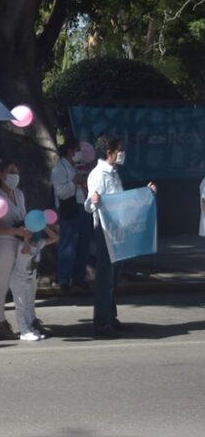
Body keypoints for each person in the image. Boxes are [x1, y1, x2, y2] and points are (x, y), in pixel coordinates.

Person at [85, 135, 157, 337]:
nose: (121, 153)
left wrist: (146, 193)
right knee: (105, 278)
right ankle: (101, 323)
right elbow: (90, 205)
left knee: (113, 278)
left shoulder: (114, 173)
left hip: (118, 232)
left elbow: (123, 201)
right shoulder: (99, 174)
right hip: (105, 232)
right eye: (119, 149)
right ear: (109, 153)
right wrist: (94, 201)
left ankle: (110, 317)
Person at [0, 159, 36, 340]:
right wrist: (14, 230)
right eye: (10, 171)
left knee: (23, 282)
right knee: (3, 284)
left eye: (16, 171)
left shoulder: (19, 194)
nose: (14, 175)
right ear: (1, 174)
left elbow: (23, 217)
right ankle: (0, 322)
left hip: (20, 243)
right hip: (3, 244)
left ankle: (27, 319)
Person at [52, 139, 91, 291]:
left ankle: (78, 277)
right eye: (77, 150)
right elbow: (60, 192)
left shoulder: (75, 167)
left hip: (83, 206)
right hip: (69, 208)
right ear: (70, 151)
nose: (79, 154)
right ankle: (63, 278)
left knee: (83, 243)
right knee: (68, 243)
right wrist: (74, 182)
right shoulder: (59, 168)